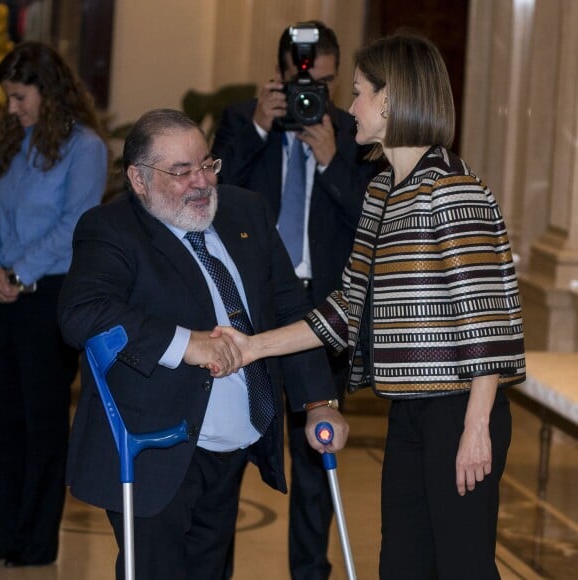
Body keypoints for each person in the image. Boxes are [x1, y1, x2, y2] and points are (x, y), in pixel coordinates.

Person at [214, 31, 526, 580]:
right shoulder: (383, 191)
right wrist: (252, 346)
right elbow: (345, 307)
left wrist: (476, 426)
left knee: (463, 566)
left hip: (459, 411)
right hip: (407, 408)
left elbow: (489, 319)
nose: (348, 106)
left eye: (357, 92)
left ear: (390, 100)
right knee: (401, 565)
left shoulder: (451, 189)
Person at [57, 108, 349, 580]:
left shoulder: (244, 210)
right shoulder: (111, 229)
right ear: (138, 178)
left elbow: (290, 308)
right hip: (152, 450)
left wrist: (318, 401)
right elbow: (82, 313)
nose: (201, 182)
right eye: (181, 171)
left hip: (230, 446)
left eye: (206, 164)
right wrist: (185, 343)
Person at [211, 20, 380, 579]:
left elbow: (372, 228)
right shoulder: (240, 120)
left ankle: (311, 574)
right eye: (307, 81)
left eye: (331, 83)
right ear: (280, 74)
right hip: (251, 314)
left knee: (317, 463)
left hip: (323, 314)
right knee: (231, 454)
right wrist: (260, 129)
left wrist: (333, 162)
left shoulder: (354, 131)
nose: (317, 94)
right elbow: (206, 201)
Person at [0, 41, 108, 567]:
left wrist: (18, 272)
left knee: (40, 423)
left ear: (47, 90)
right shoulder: (7, 141)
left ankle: (35, 541)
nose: (12, 107)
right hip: (2, 297)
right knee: (3, 422)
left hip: (47, 301)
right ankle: (2, 530)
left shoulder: (83, 147)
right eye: (8, 98)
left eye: (19, 96)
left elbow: (76, 226)